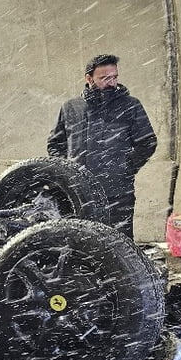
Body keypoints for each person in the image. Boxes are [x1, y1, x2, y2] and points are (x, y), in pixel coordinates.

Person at [47, 53, 157, 238]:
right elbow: (55, 143)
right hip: (77, 192)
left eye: (114, 77)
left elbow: (147, 142)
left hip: (117, 193)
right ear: (89, 78)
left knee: (119, 245)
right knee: (79, 244)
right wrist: (67, 171)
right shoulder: (71, 107)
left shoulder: (130, 106)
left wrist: (125, 168)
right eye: (105, 78)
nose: (111, 82)